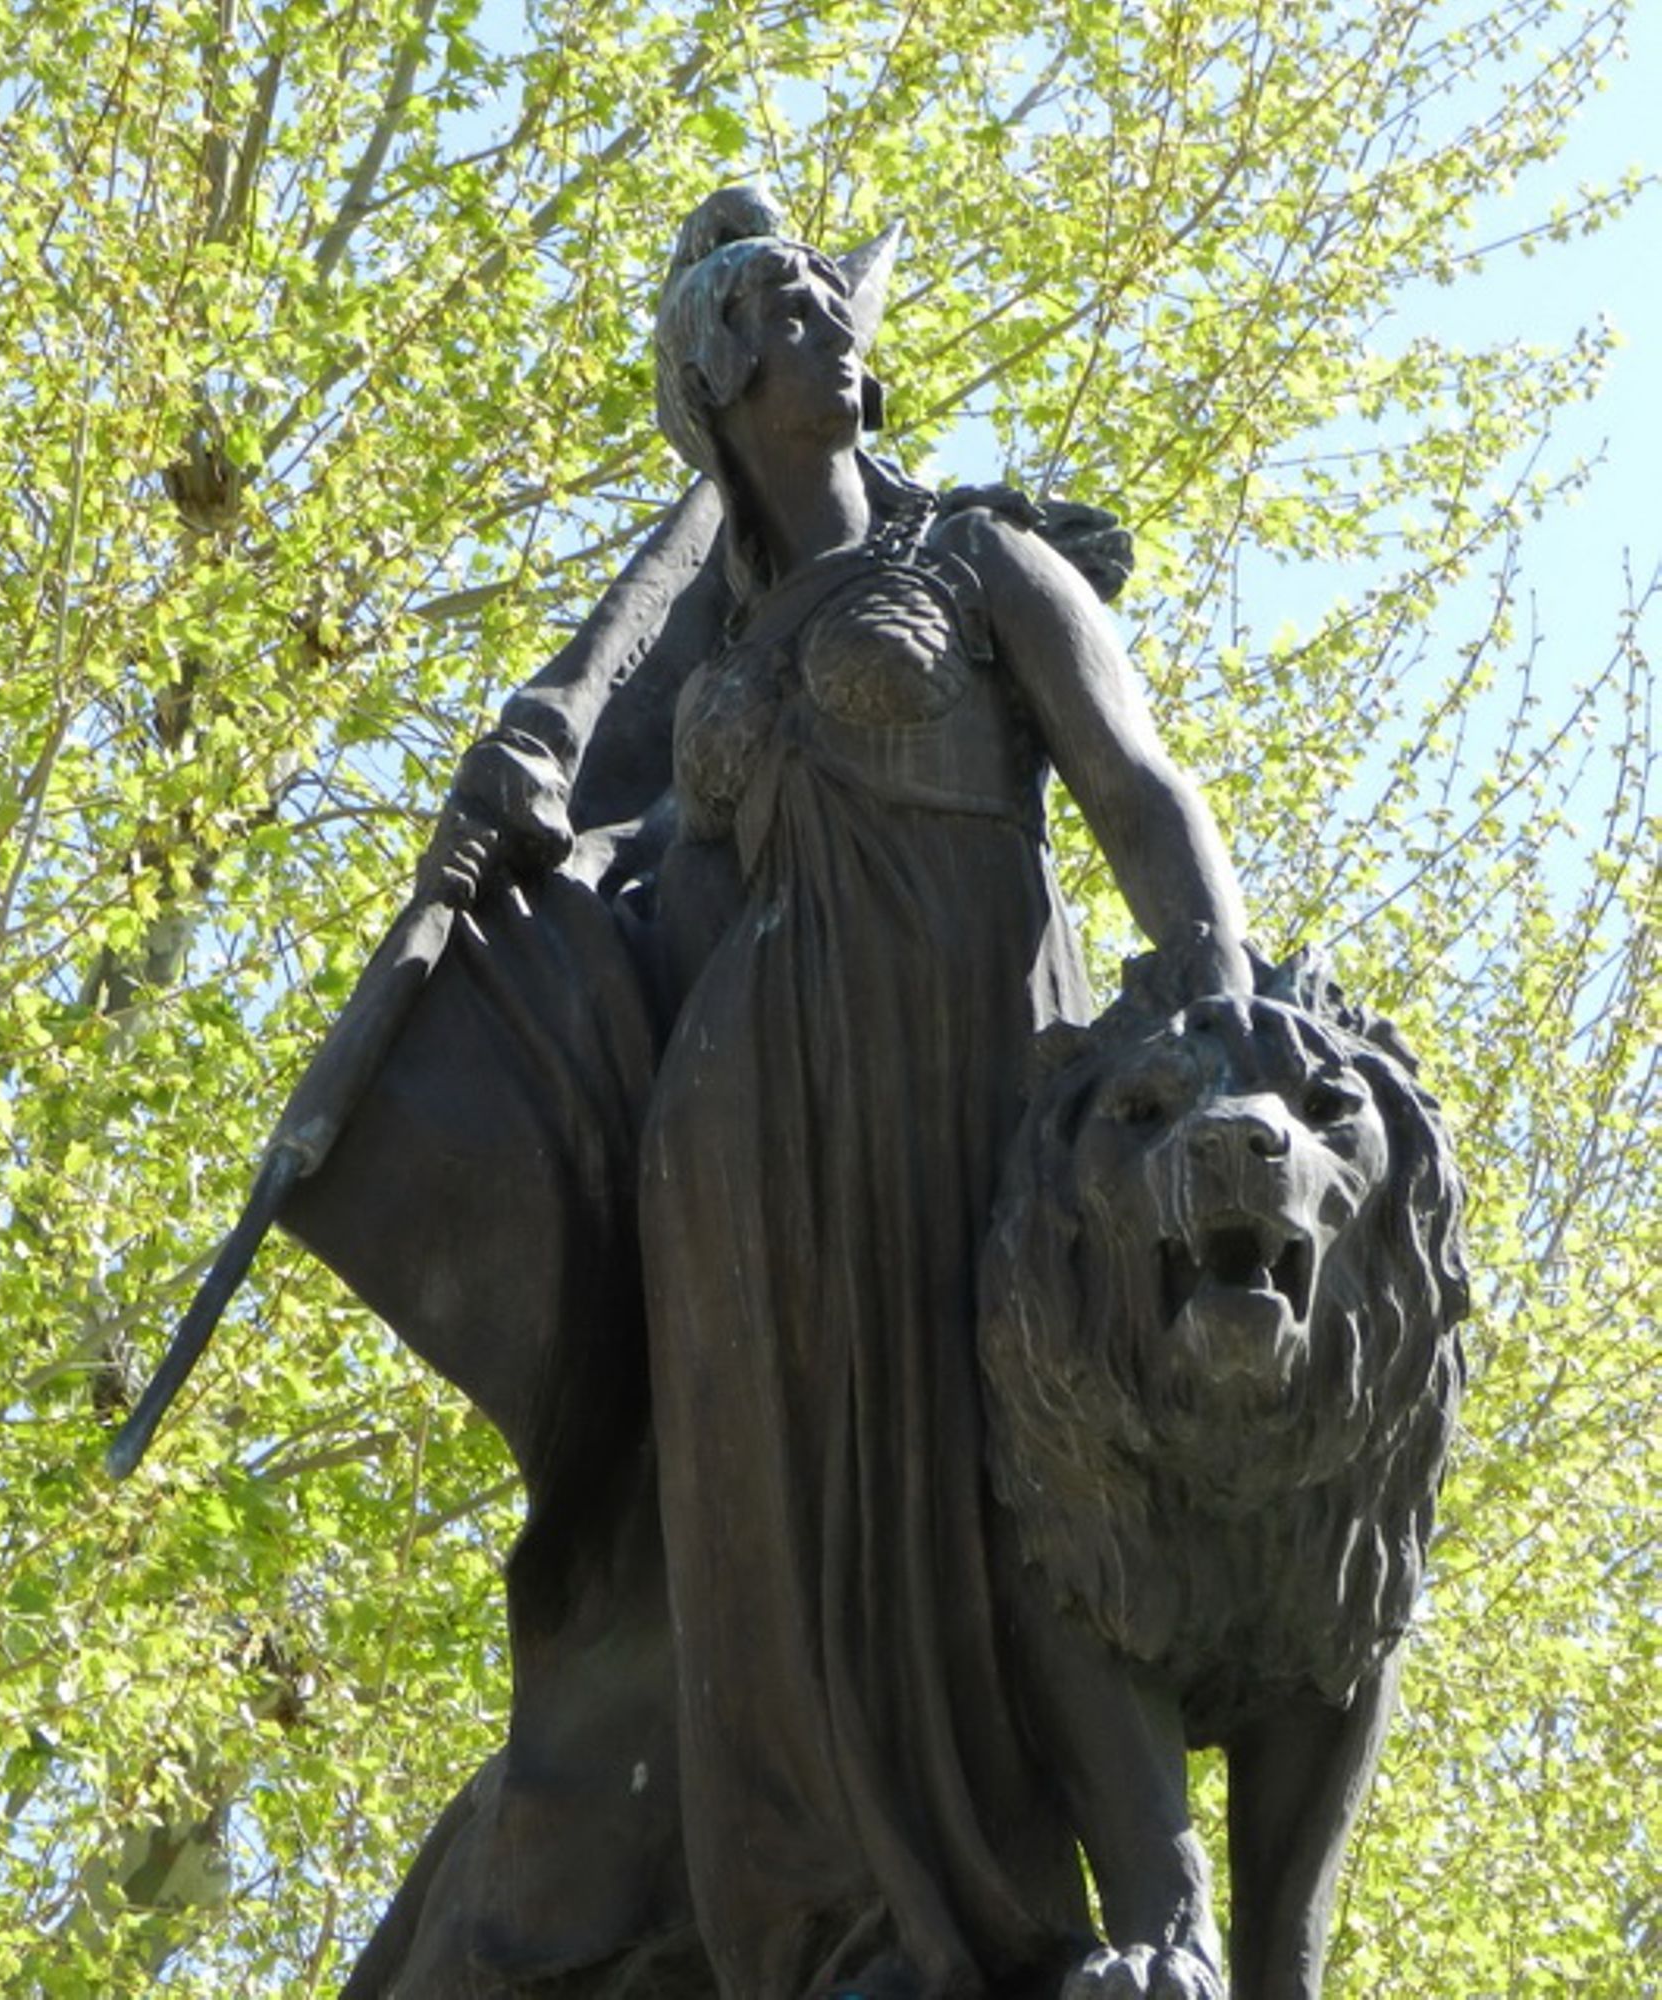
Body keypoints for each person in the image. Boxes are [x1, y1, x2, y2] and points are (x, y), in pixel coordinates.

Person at [300, 186, 1252, 1998]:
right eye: (787, 312)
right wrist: (517, 836)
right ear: (724, 379)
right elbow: (655, 894)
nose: (833, 328)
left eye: (832, 302)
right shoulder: (719, 666)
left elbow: (1142, 791)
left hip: (965, 1068)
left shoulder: (976, 563)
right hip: (739, 1144)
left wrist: (1219, 1000)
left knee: (1015, 1476)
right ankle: (838, 1915)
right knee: (780, 1528)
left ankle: (1126, 1911)